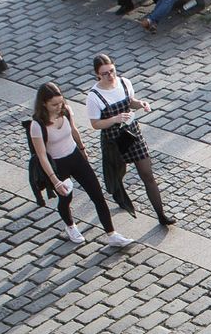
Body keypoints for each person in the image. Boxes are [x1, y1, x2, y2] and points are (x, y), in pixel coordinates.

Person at [27, 82, 132, 248]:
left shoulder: (66, 111)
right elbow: (41, 156)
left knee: (97, 195)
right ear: (43, 103)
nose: (58, 106)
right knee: (66, 198)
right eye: (54, 104)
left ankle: (112, 234)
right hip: (58, 164)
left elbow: (74, 130)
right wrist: (55, 181)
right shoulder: (37, 125)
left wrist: (82, 149)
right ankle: (70, 226)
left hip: (75, 157)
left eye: (60, 102)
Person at [86, 55, 173, 224]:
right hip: (113, 140)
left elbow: (130, 101)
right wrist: (114, 119)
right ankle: (120, 196)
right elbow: (95, 124)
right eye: (105, 73)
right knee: (118, 174)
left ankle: (161, 214)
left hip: (132, 134)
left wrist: (140, 104)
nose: (110, 76)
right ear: (97, 75)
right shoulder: (94, 96)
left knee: (147, 174)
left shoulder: (124, 82)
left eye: (112, 71)